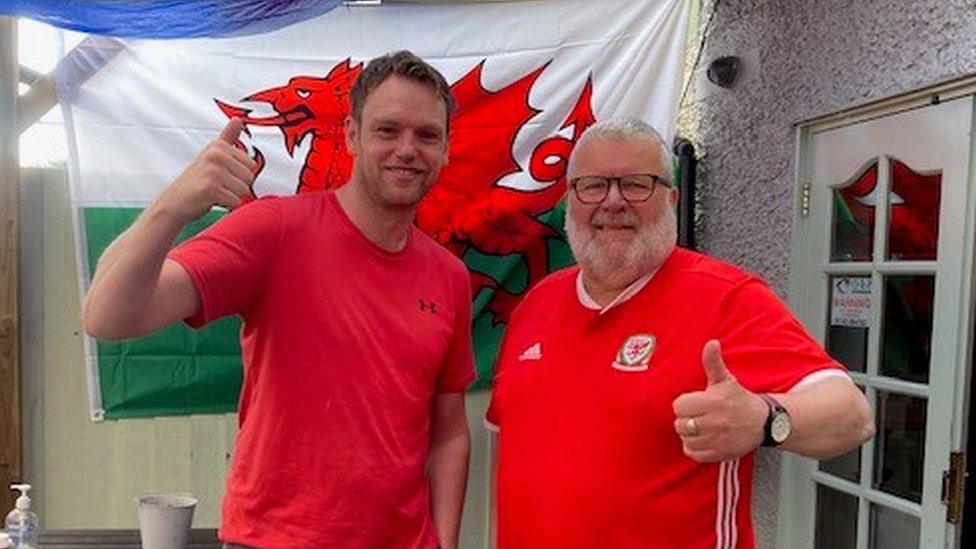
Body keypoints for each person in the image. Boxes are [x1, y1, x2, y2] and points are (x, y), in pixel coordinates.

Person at [82, 51, 475, 549]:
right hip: (272, 539)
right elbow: (108, 315)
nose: (407, 149)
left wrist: (443, 541)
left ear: (445, 149)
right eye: (387, 130)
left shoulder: (449, 277)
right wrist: (174, 205)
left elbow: (449, 433)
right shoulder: (276, 229)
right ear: (352, 135)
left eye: (426, 135)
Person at [485, 118, 875, 549]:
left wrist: (765, 420)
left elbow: (852, 415)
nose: (612, 202)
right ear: (569, 201)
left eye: (636, 184)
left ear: (671, 198)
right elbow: (510, 460)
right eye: (592, 185)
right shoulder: (536, 305)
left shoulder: (726, 298)